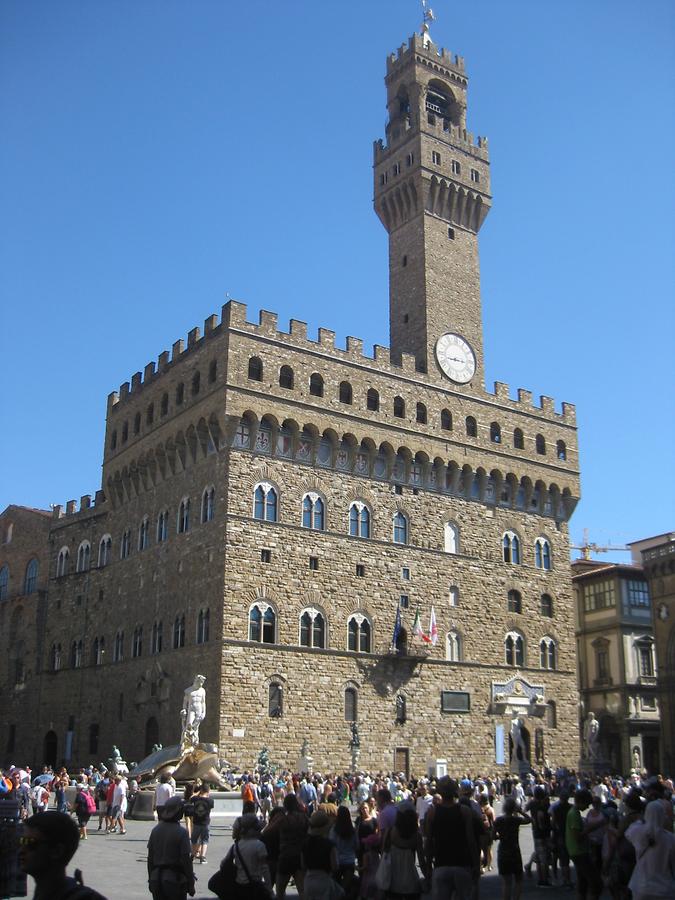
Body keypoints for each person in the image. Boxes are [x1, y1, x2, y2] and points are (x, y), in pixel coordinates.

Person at [19, 810, 108, 899]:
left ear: (57, 851)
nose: (21, 850)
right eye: (21, 841)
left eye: (30, 843)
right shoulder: (44, 890)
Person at [424, 777, 478, 900]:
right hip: (462, 864)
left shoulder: (432, 812)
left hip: (441, 864)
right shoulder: (465, 811)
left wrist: (427, 867)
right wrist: (476, 864)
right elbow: (471, 840)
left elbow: (428, 842)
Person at [147, 796, 195, 900]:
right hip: (175, 879)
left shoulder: (156, 830)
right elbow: (186, 860)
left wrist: (150, 878)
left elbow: (150, 858)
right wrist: (191, 882)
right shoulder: (182, 833)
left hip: (156, 877)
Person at [626, 800, 675, 899]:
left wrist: (642, 820)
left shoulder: (638, 832)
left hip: (641, 886)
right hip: (664, 889)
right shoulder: (670, 838)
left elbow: (628, 832)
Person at [383, 802, 425, 899]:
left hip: (393, 880)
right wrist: (427, 876)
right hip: (411, 880)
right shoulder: (417, 836)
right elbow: (421, 861)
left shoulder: (390, 832)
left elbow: (384, 851)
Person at [566, 788, 602, 900]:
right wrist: (592, 828)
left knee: (583, 883)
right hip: (579, 852)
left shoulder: (573, 812)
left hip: (576, 851)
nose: (588, 807)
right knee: (595, 883)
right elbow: (577, 837)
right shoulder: (574, 814)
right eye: (587, 804)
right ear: (581, 801)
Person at [493, 797, 531, 900]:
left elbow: (493, 836)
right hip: (514, 850)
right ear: (513, 808)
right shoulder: (516, 820)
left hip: (503, 851)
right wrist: (520, 811)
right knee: (518, 879)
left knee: (506, 882)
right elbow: (529, 820)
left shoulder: (498, 820)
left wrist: (499, 836)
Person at [303, 809, 343, 900]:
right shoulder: (329, 845)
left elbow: (303, 865)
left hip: (308, 880)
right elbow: (335, 866)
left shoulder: (305, 843)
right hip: (323, 880)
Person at [231, 812, 272, 897]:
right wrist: (269, 888)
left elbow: (224, 863)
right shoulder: (259, 845)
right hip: (255, 883)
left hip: (240, 884)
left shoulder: (236, 846)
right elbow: (264, 868)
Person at [330, 804, 359, 897]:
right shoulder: (352, 830)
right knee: (346, 887)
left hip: (337, 861)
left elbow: (331, 844)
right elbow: (357, 845)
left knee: (336, 886)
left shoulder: (334, 830)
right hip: (349, 861)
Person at [190, 783, 214, 863]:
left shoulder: (195, 799)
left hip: (196, 822)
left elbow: (191, 798)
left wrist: (197, 793)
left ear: (201, 790)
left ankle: (192, 855)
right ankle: (202, 857)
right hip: (205, 823)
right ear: (208, 791)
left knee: (194, 839)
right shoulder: (210, 800)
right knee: (205, 840)